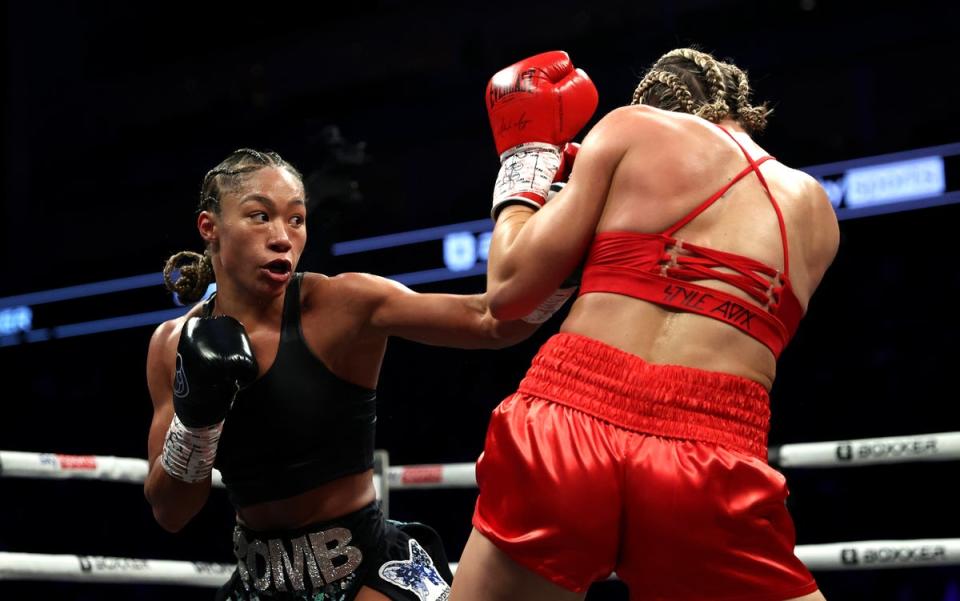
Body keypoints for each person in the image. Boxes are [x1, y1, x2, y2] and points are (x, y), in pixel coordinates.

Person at [449, 49, 839, 601]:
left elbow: (509, 293)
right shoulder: (817, 209)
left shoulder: (631, 127)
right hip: (712, 448)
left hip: (573, 414)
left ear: (654, 100)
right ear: (742, 109)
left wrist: (528, 160)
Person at [143, 148, 558, 600]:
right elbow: (171, 512)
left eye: (296, 219)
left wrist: (559, 241)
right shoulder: (173, 344)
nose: (282, 237)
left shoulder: (343, 305)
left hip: (368, 569)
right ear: (211, 228)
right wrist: (197, 422)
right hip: (258, 583)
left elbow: (492, 322)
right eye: (260, 216)